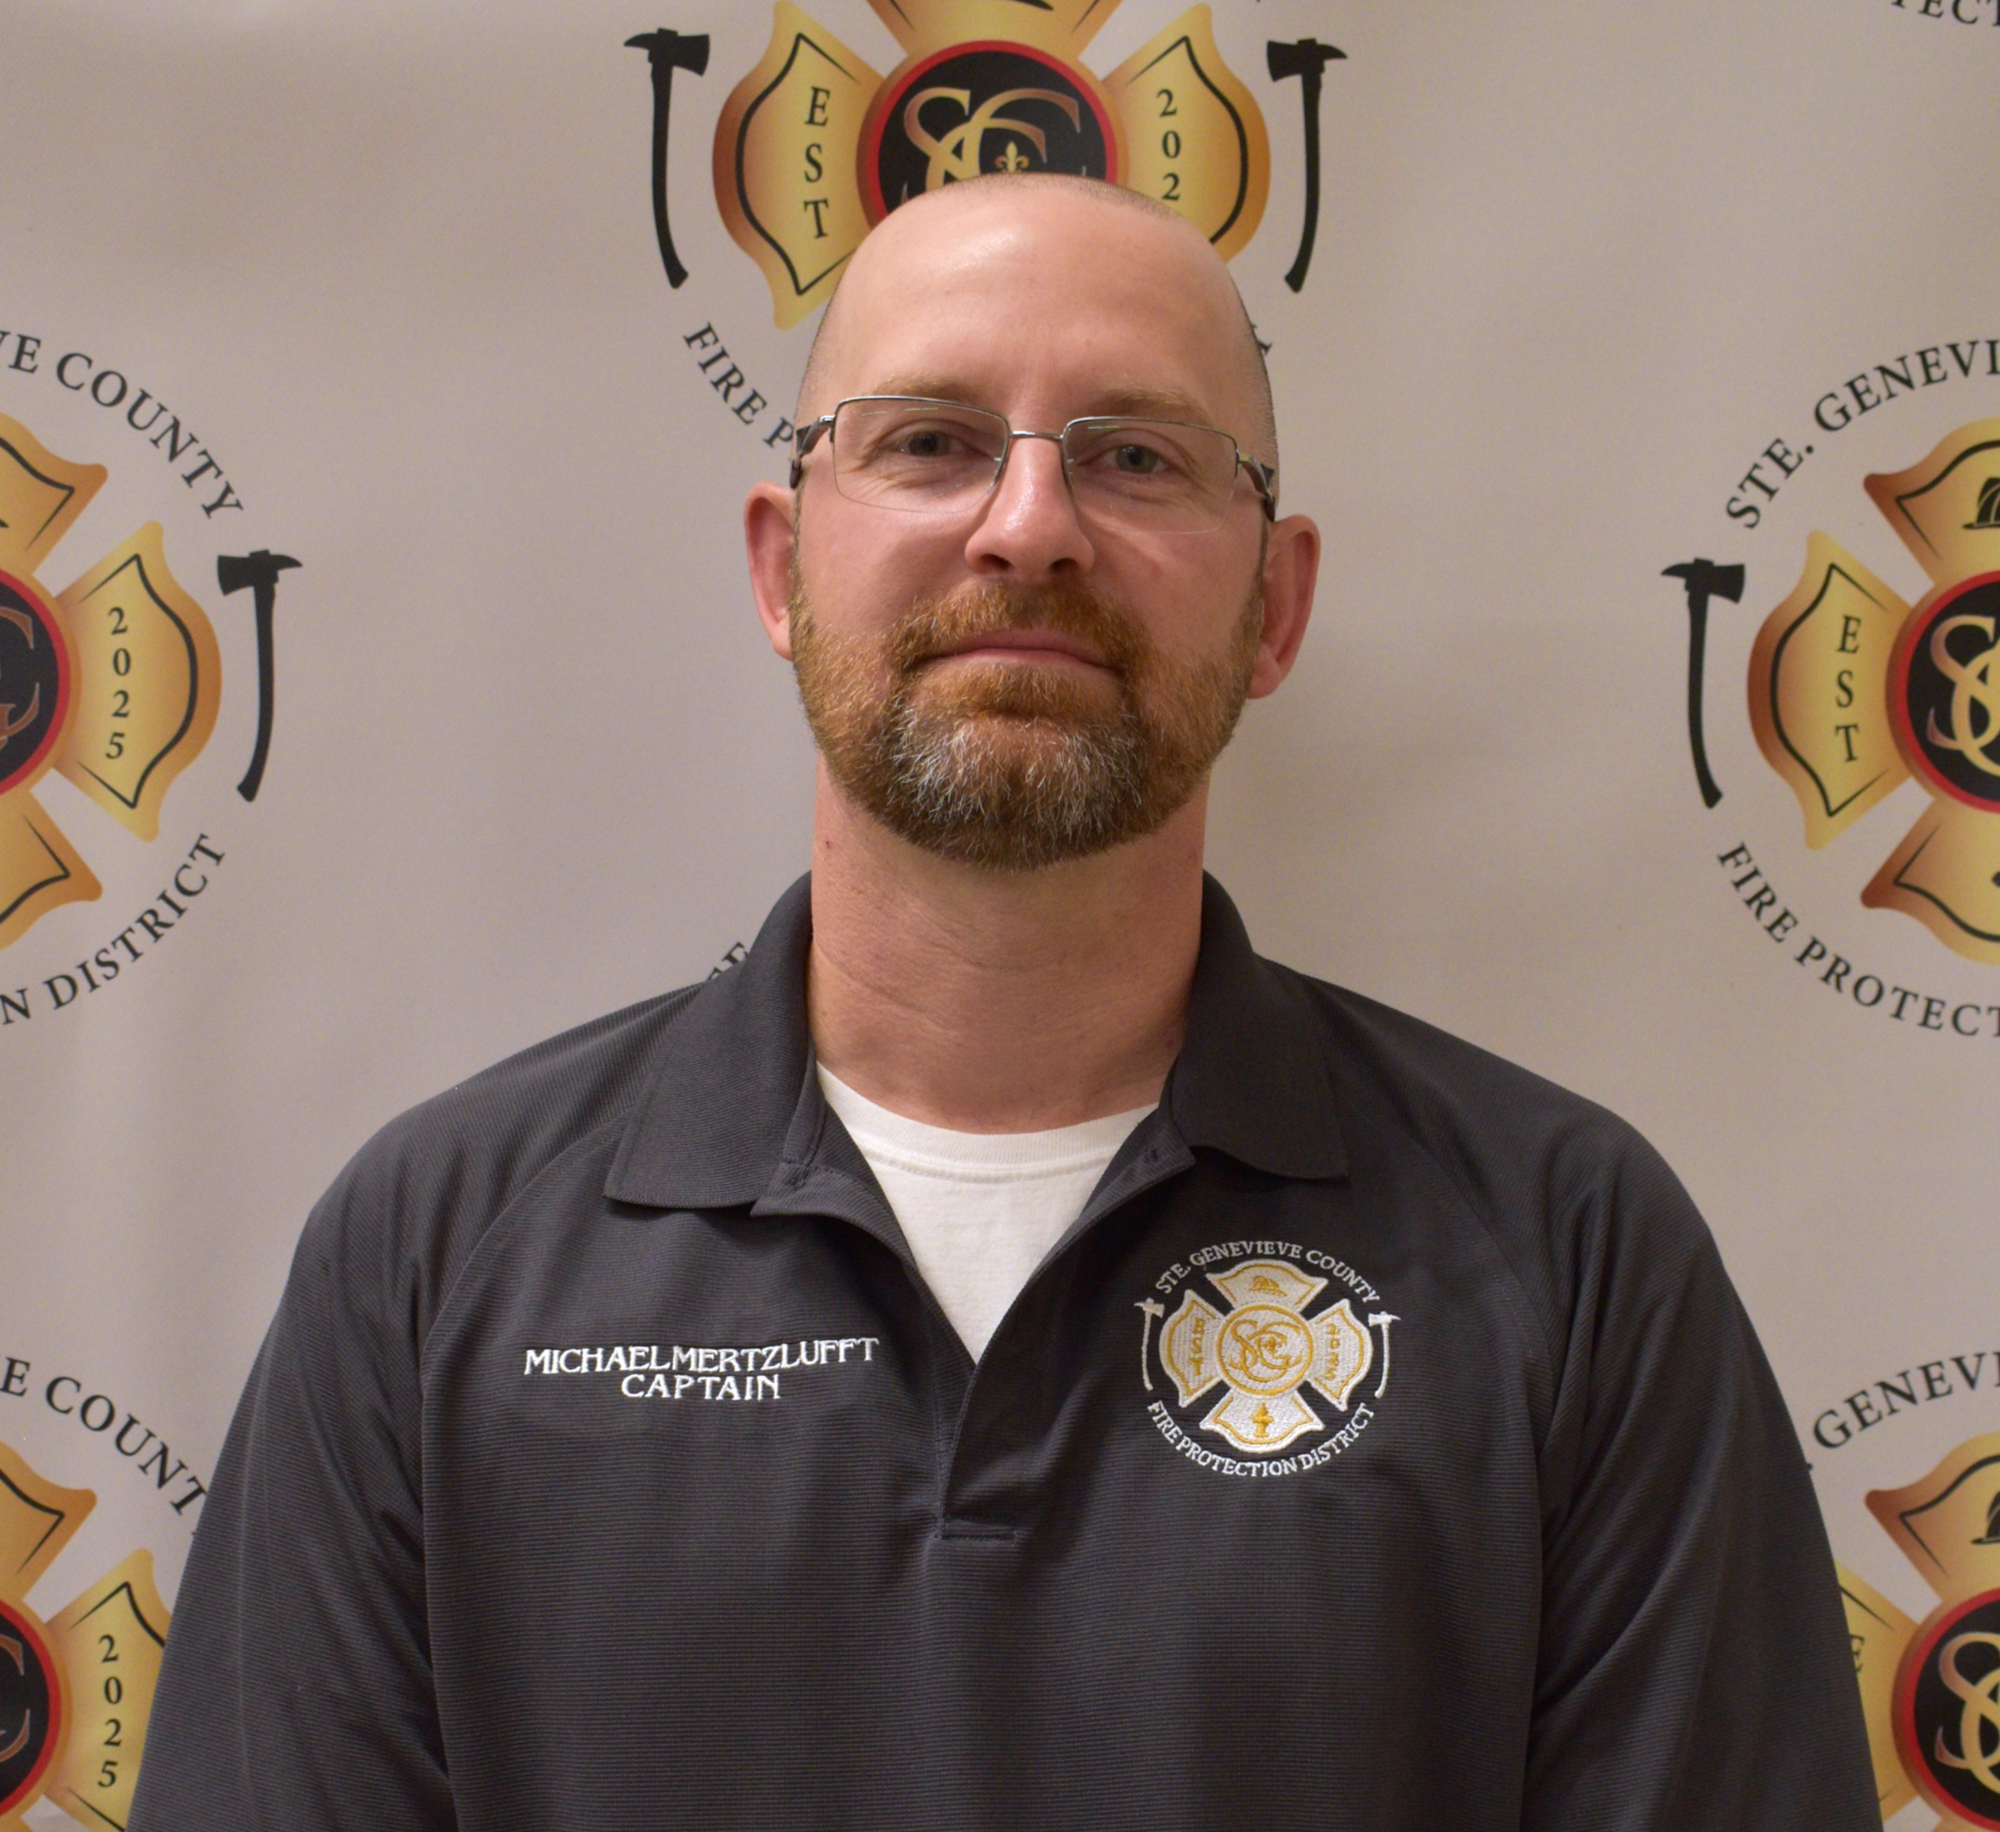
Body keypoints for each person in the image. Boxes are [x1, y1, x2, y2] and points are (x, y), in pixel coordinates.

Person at [131, 174, 1877, 1831]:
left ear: (1275, 608)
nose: (1029, 525)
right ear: (780, 567)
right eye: (931, 443)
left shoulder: (1571, 1256)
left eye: (1134, 455)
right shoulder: (437, 1254)